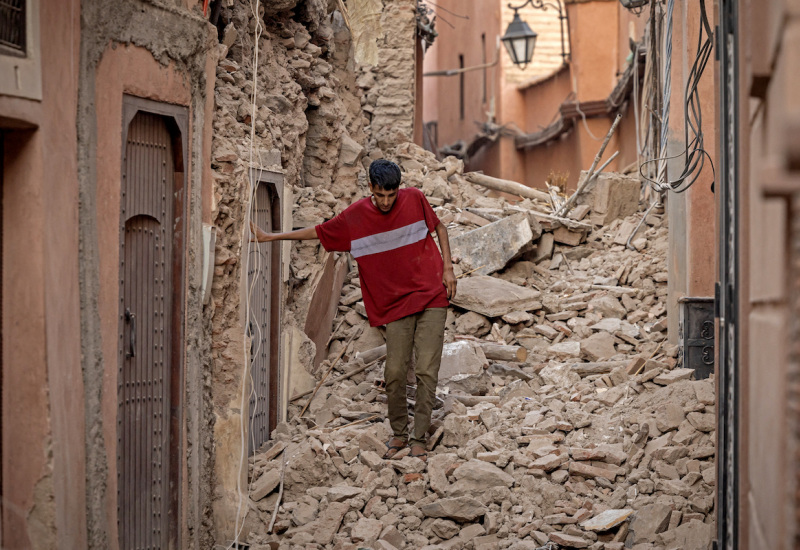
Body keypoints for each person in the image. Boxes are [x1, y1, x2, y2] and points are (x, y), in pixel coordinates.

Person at [250, 159, 456, 462]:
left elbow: (438, 226)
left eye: (391, 195)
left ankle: (418, 437)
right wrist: (272, 238)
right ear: (370, 188)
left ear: (399, 189)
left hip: (431, 296)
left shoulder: (414, 198)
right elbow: (319, 232)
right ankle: (399, 433)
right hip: (395, 304)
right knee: (396, 372)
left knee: (426, 370)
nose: (386, 202)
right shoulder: (356, 217)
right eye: (380, 195)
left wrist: (448, 269)